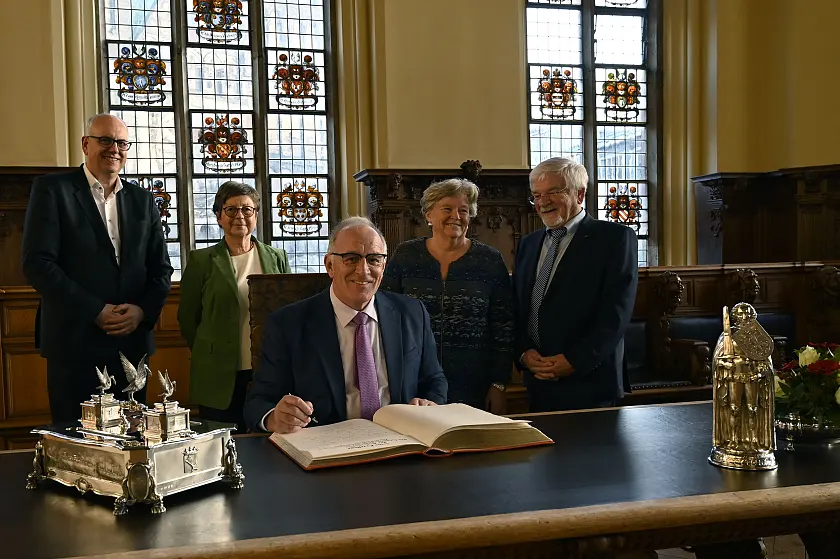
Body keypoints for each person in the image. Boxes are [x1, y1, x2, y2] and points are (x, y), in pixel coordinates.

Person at [21, 113, 173, 423]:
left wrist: (142, 311)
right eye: (105, 140)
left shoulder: (143, 200)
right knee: (76, 447)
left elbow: (161, 270)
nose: (114, 148)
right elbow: (37, 264)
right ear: (85, 144)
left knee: (132, 441)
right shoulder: (53, 190)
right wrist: (95, 310)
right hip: (74, 342)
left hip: (131, 345)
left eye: (121, 142)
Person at [244, 216, 448, 433]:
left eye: (373, 259)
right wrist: (275, 417)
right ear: (330, 265)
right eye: (351, 259)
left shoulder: (411, 313)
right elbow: (258, 402)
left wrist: (429, 404)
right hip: (326, 449)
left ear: (384, 265)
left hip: (403, 445)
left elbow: (434, 380)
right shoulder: (289, 324)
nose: (363, 270)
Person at [512, 157, 638, 412]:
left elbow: (616, 313)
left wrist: (574, 361)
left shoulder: (614, 239)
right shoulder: (529, 243)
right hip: (537, 381)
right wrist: (524, 354)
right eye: (536, 195)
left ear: (579, 193)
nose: (542, 202)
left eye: (553, 192)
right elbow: (518, 307)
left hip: (589, 380)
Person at [381, 178, 513, 412]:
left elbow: (503, 325)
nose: (456, 216)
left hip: (474, 384)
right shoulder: (406, 255)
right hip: (414, 383)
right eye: (447, 209)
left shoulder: (489, 260)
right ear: (428, 215)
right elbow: (385, 314)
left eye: (463, 210)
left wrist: (498, 384)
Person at [177, 181, 290, 431]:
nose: (239, 216)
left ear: (256, 216)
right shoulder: (202, 261)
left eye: (247, 210)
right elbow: (188, 317)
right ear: (219, 217)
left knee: (266, 439)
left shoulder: (277, 257)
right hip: (218, 371)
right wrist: (210, 350)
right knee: (221, 442)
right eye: (231, 210)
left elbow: (288, 311)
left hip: (267, 368)